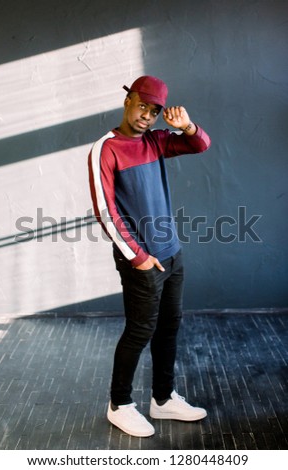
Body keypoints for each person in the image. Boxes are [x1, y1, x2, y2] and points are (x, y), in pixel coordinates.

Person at [88, 75, 211, 437]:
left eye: (154, 111)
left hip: (172, 253)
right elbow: (106, 212)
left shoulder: (157, 142)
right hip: (141, 260)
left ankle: (162, 398)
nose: (146, 116)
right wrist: (138, 256)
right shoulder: (106, 148)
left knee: (169, 327)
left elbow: (199, 145)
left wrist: (186, 125)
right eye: (142, 106)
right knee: (140, 329)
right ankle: (120, 404)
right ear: (128, 101)